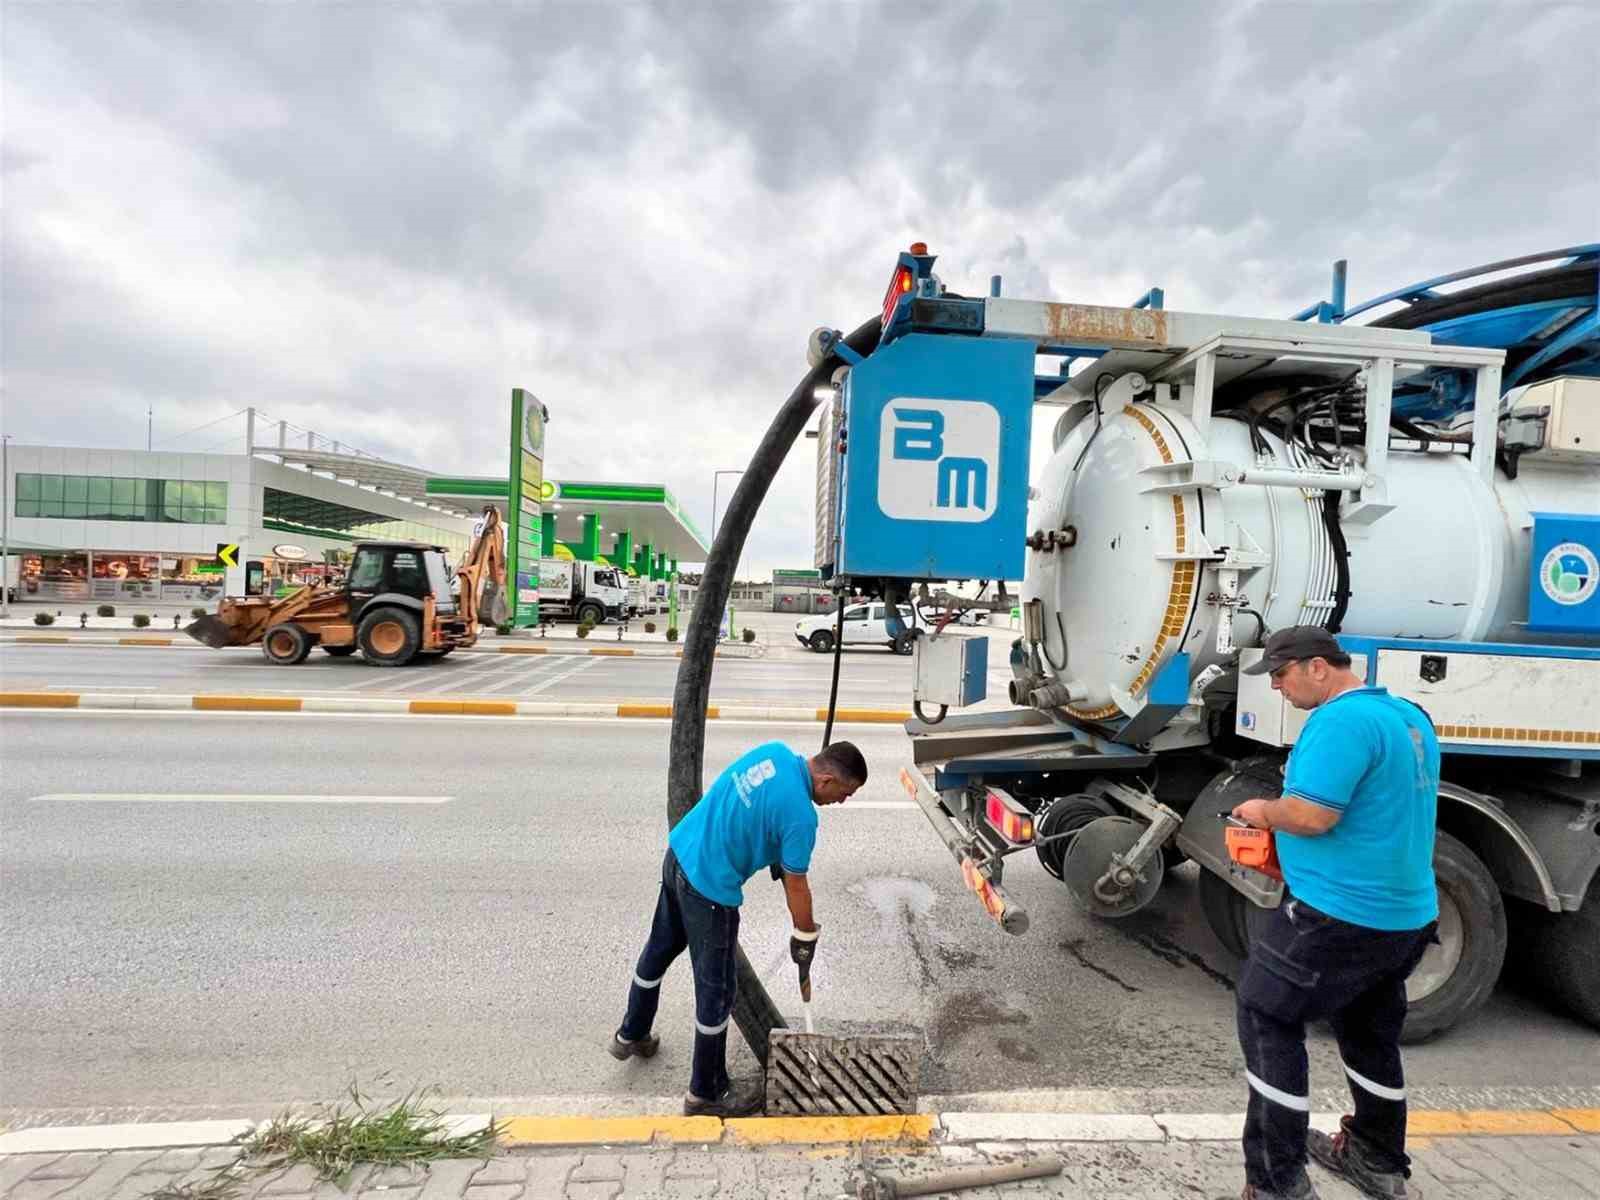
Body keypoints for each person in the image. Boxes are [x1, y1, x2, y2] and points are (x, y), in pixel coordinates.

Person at [1226, 626, 1440, 1200]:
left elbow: (1313, 815)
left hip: (1337, 917)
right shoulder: (1408, 715)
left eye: (1279, 674)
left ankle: (1276, 1183)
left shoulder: (1339, 721)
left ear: (1317, 667)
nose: (1275, 687)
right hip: (1405, 916)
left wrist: (1261, 812)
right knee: (1369, 1030)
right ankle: (1377, 1159)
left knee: (1266, 1015)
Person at [610, 739, 868, 1117]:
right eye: (845, 793)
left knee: (659, 950)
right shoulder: (801, 817)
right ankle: (706, 1091)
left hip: (681, 851)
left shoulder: (775, 753)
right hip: (709, 889)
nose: (843, 801)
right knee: (718, 991)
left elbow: (753, 809)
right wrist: (806, 935)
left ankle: (630, 1033)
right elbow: (797, 885)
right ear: (827, 779)